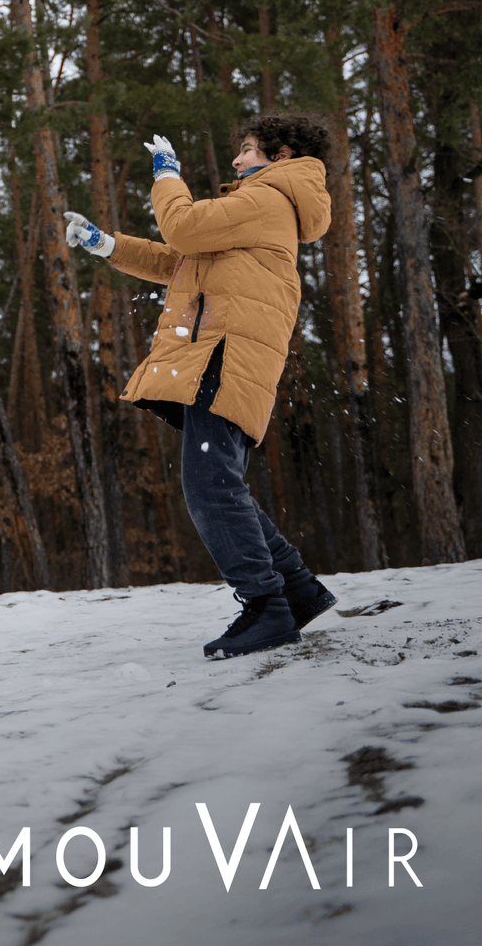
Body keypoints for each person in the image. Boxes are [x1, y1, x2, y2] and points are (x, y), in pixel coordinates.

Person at [64, 111, 339, 660]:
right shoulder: (265, 205)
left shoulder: (267, 199)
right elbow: (182, 259)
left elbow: (183, 227)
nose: (237, 160)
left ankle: (267, 607)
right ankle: (296, 590)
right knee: (220, 481)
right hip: (223, 355)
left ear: (281, 155)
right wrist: (106, 245)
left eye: (247, 149)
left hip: (225, 355)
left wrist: (167, 174)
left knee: (210, 486)